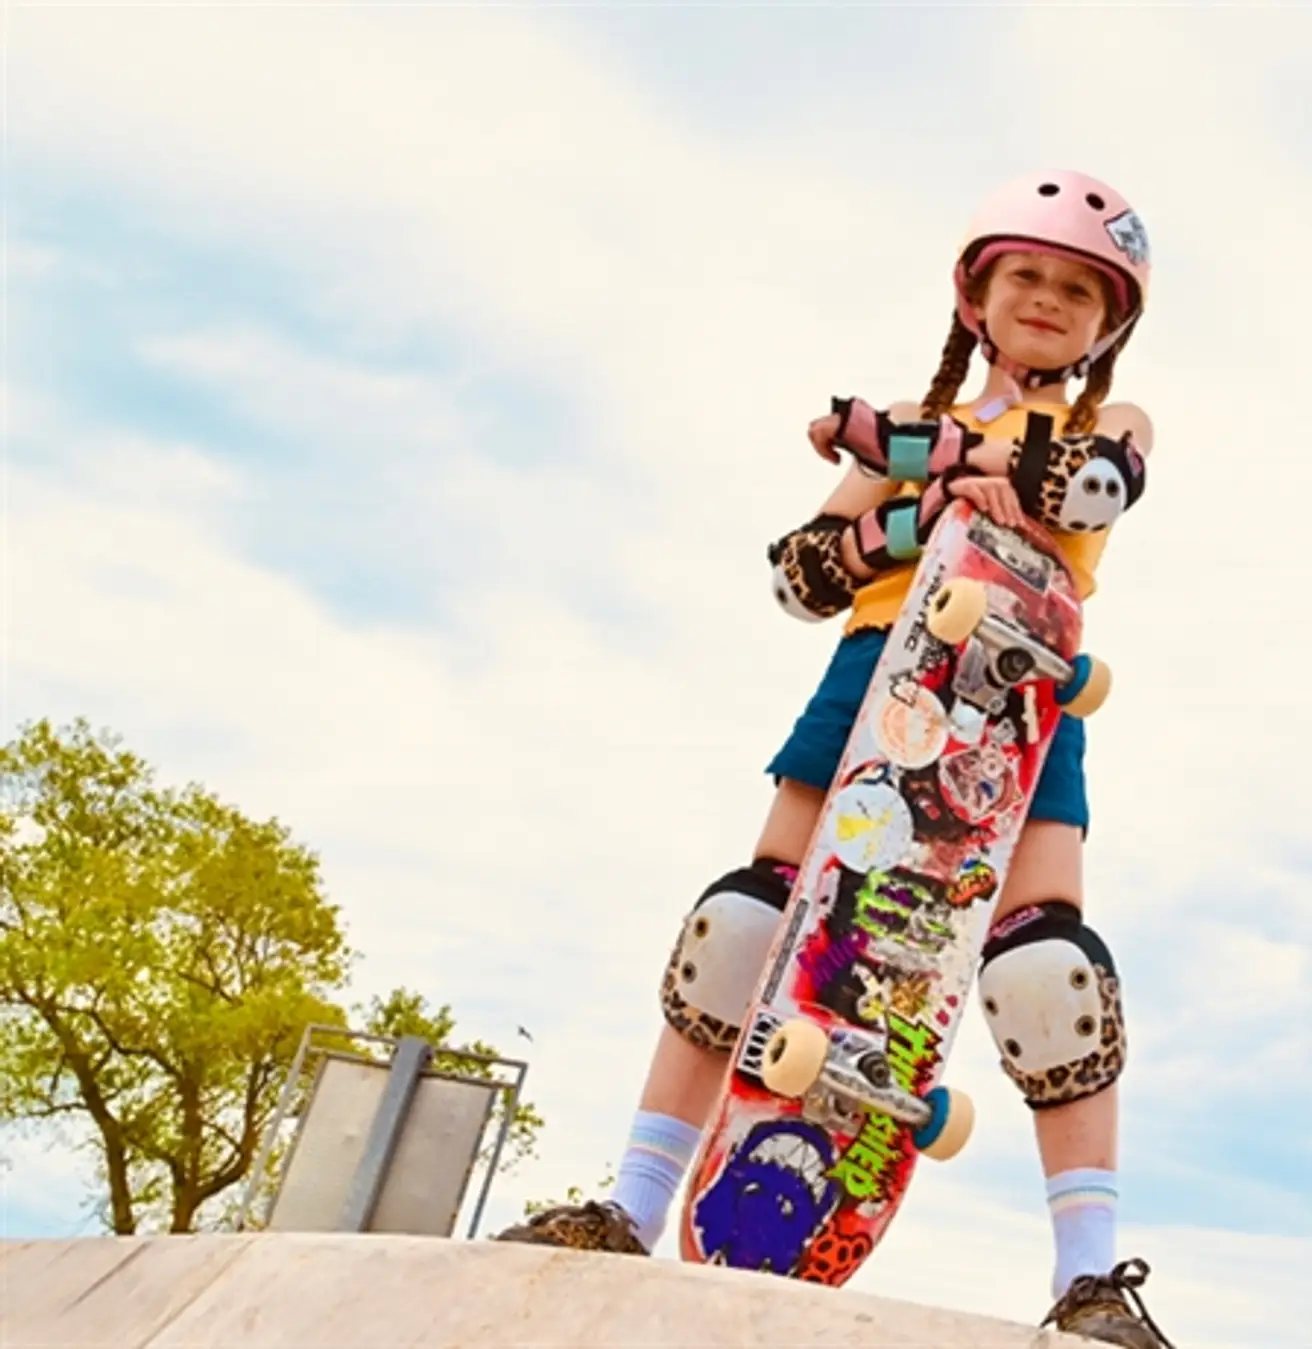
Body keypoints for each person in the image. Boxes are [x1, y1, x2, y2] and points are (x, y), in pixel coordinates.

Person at [495, 170, 1173, 1349]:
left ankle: (1089, 1278)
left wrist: (924, 467)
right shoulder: (906, 426)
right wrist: (913, 506)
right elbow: (798, 574)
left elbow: (1090, 490)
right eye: (1024, 275)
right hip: (874, 668)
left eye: (1076, 290)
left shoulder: (1106, 425)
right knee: (744, 923)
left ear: (1106, 323)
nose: (1046, 299)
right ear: (975, 297)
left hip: (1020, 689)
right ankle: (633, 1204)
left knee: (1048, 970)